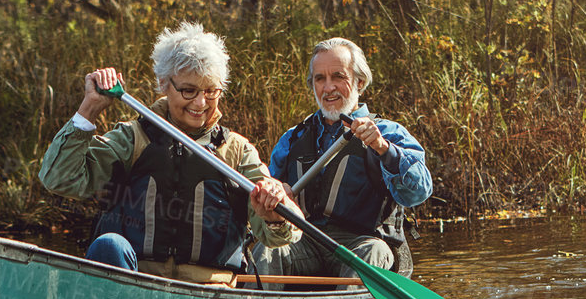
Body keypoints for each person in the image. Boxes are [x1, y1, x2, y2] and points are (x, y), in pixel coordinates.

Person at [38, 21, 299, 283]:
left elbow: (282, 236)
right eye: (188, 90)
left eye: (211, 91)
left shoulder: (238, 152)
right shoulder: (132, 139)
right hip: (137, 287)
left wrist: (276, 217)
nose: (200, 103)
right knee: (109, 246)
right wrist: (89, 110)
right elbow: (58, 178)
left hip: (210, 294)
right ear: (164, 84)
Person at [259, 37, 431, 280]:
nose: (328, 87)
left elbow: (420, 191)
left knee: (370, 253)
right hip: (306, 242)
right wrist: (275, 194)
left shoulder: (389, 132)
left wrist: (383, 148)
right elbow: (267, 194)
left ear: (359, 82)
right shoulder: (292, 139)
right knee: (267, 251)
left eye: (338, 77)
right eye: (320, 79)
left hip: (363, 244)